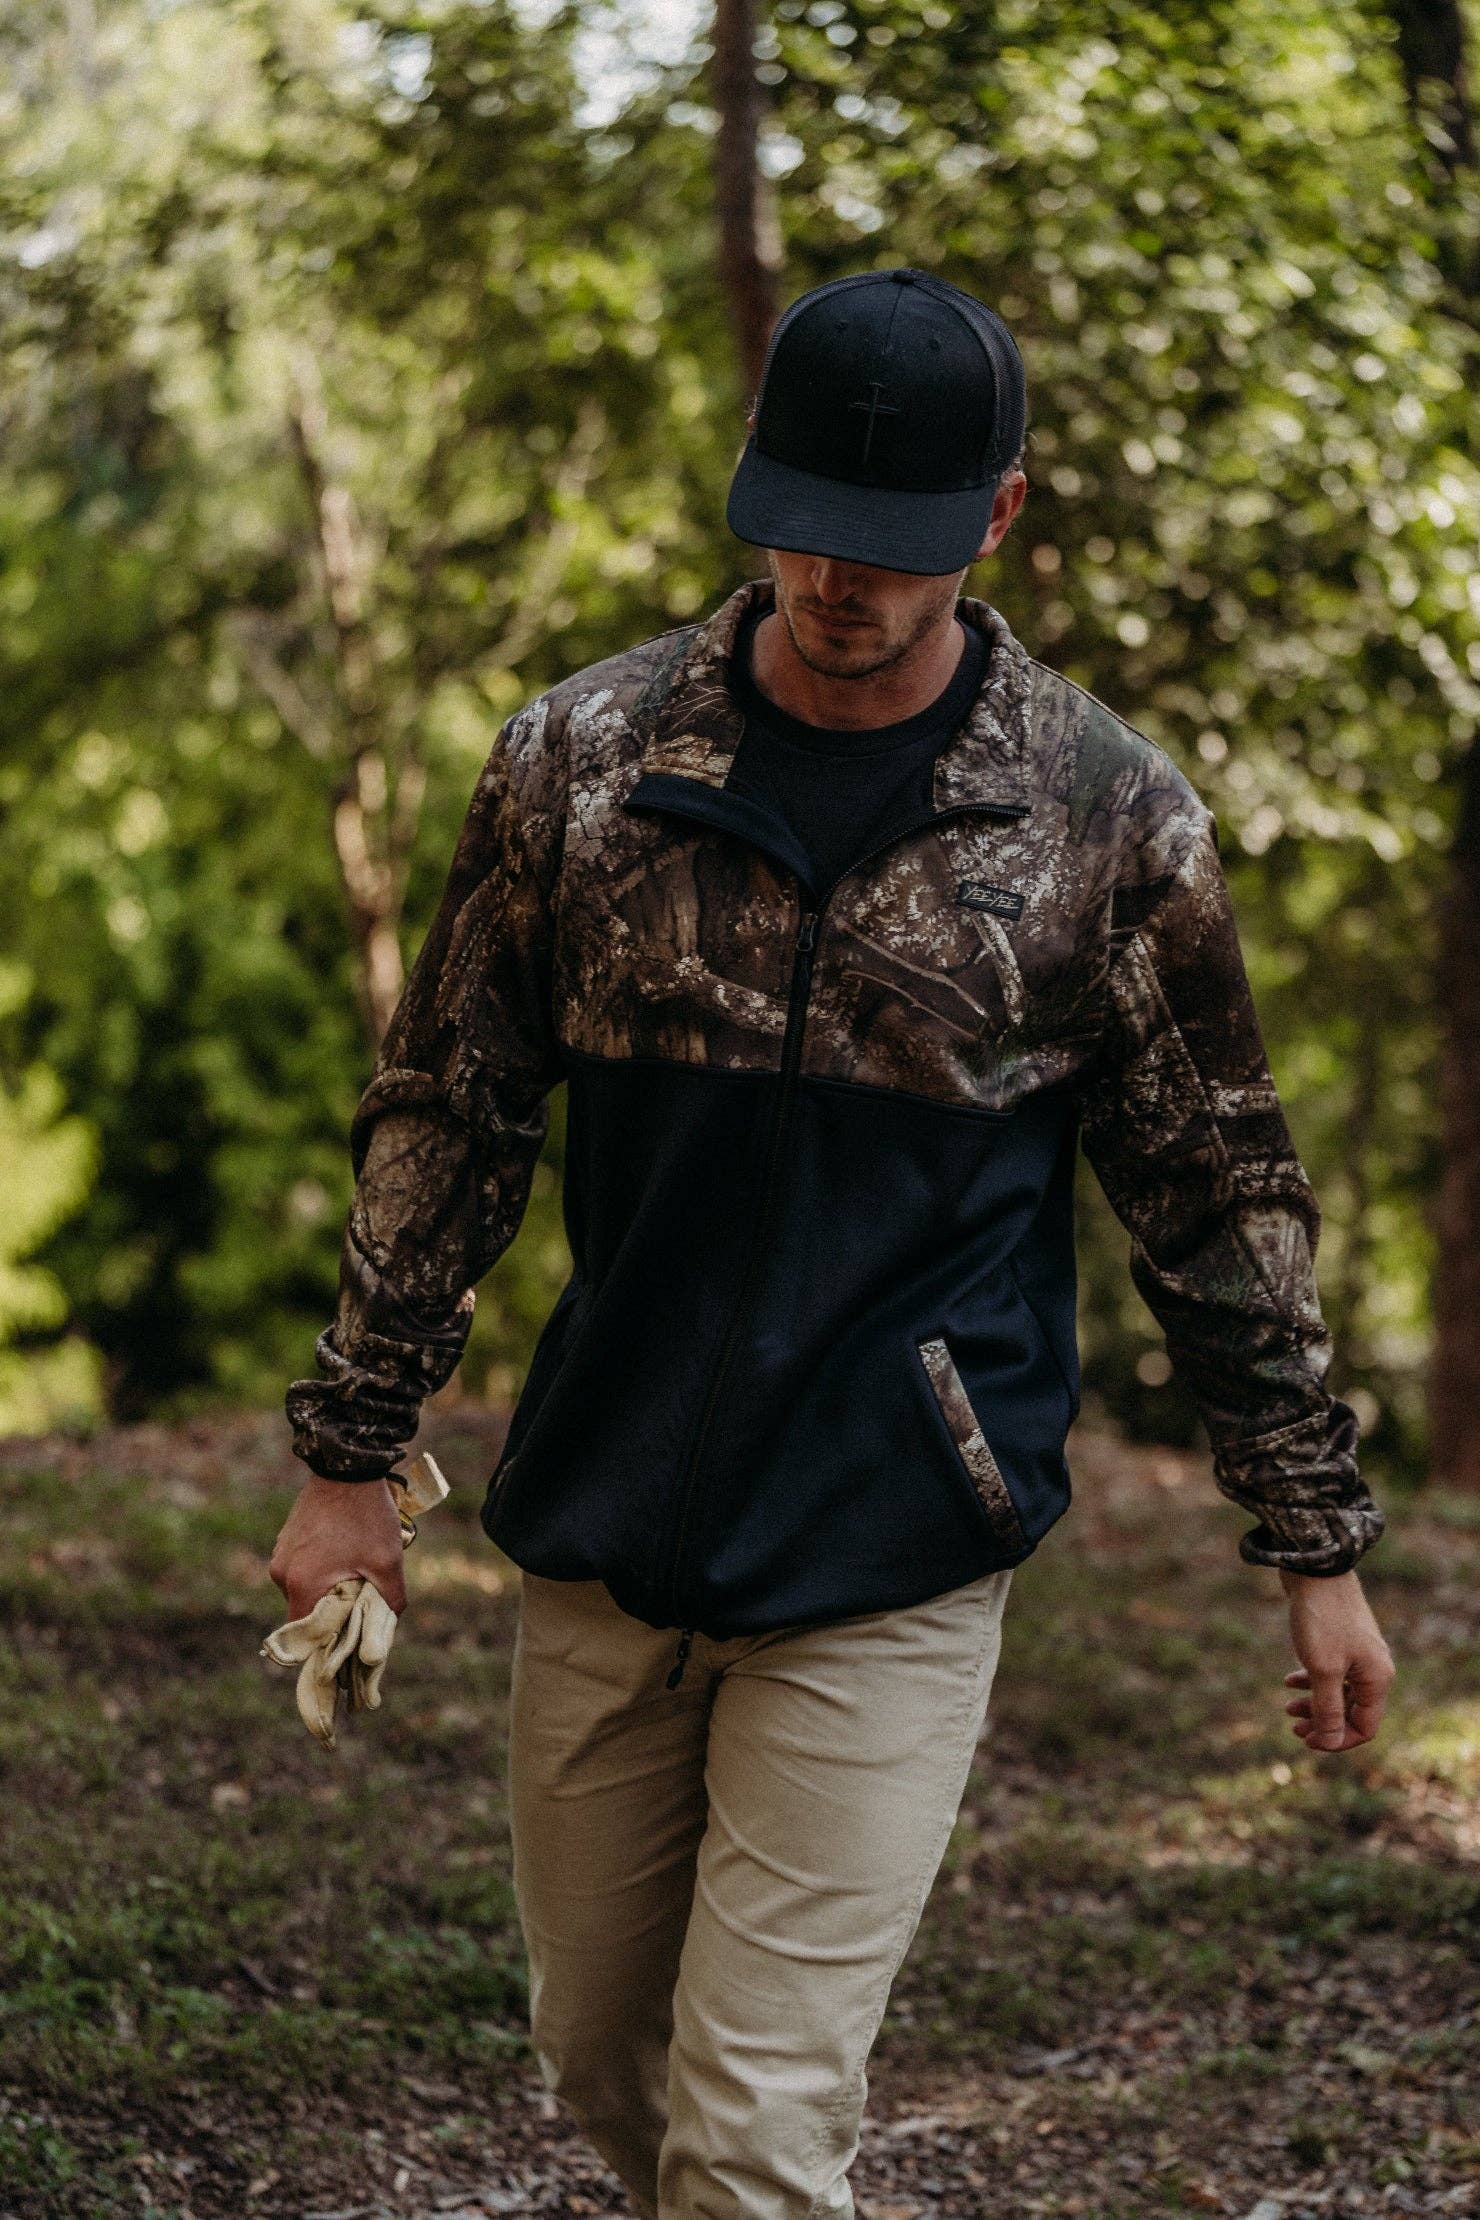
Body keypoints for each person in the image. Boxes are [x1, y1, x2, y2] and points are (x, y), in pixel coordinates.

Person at [271, 267, 1394, 2219]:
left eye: (891, 542)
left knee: (756, 2129)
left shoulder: (1104, 820)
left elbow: (1215, 1193)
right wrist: (349, 1452)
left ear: (999, 513)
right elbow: (450, 1109)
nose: (836, 580)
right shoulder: (582, 762)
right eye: (801, 525)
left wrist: (1315, 1548)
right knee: (600, 2053)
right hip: (613, 1516)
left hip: (893, 1549)